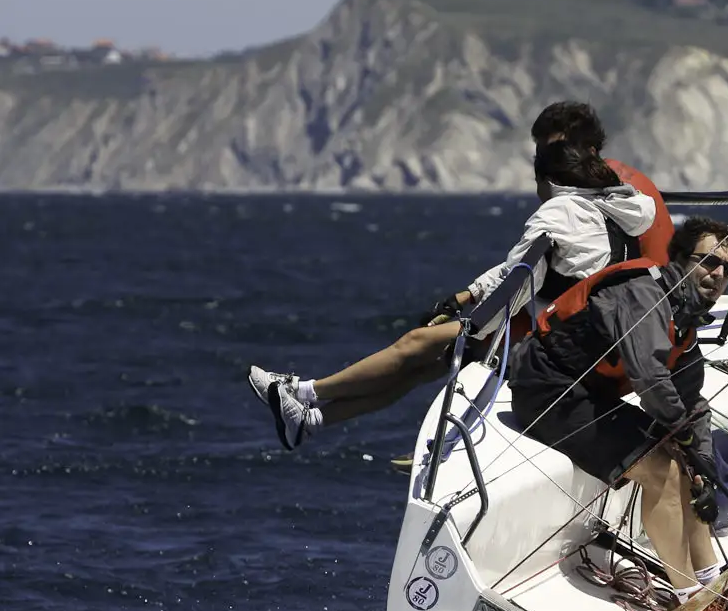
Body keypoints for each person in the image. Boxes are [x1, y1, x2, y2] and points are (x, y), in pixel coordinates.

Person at [247, 140, 655, 449]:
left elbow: (518, 275)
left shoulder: (559, 211)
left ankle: (304, 392)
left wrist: (475, 322)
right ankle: (310, 419)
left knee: (415, 344)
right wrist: (467, 295)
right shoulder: (614, 211)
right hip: (593, 335)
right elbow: (526, 269)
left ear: (549, 182)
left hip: (559, 343)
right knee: (425, 364)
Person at [509, 216, 728, 611]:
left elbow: (691, 403)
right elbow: (650, 378)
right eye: (708, 262)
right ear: (679, 259)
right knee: (664, 470)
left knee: (688, 465)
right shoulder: (644, 294)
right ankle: (688, 595)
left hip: (591, 395)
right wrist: (685, 442)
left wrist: (705, 466)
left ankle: (710, 576)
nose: (718, 274)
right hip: (548, 391)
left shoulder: (686, 319)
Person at [528, 101, 674, 264]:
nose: (545, 163)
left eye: (556, 154)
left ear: (590, 151)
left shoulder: (611, 193)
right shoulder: (624, 186)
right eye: (541, 154)